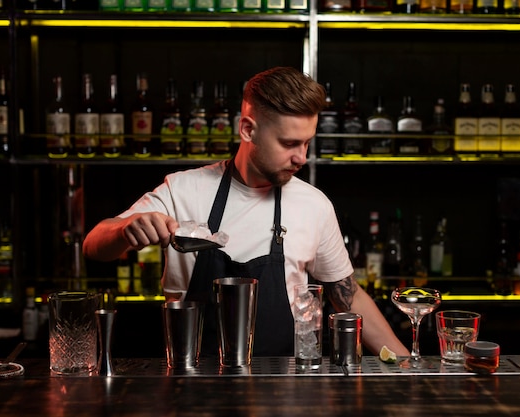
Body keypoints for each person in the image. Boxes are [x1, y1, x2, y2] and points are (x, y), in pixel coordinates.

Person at [83, 66, 410, 358]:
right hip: (191, 383)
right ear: (248, 130)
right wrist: (126, 230)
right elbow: (94, 245)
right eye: (289, 143)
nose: (302, 158)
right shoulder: (184, 190)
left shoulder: (314, 205)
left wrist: (409, 365)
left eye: (307, 143)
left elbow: (348, 297)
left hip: (284, 389)